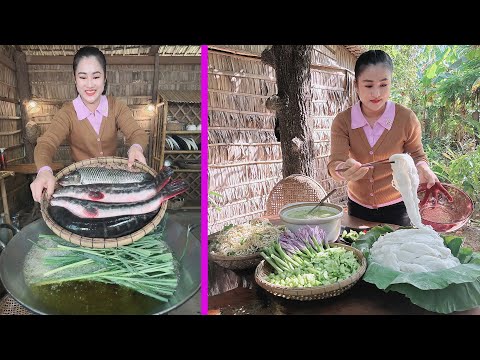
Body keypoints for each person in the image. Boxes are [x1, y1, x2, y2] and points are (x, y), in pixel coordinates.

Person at [327, 49, 451, 226]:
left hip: (399, 207)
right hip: (358, 207)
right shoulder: (343, 121)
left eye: (383, 85)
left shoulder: (406, 118)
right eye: (368, 86)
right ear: (356, 85)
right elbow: (335, 163)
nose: (376, 93)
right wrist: (342, 169)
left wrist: (423, 168)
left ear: (391, 82)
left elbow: (417, 154)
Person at [30, 46, 148, 203]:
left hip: (115, 181)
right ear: (75, 79)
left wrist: (136, 147)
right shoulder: (67, 113)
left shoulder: (116, 107)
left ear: (105, 78)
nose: (90, 84)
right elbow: (46, 143)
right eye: (83, 77)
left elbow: (137, 133)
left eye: (96, 77)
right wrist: (44, 171)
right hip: (81, 187)